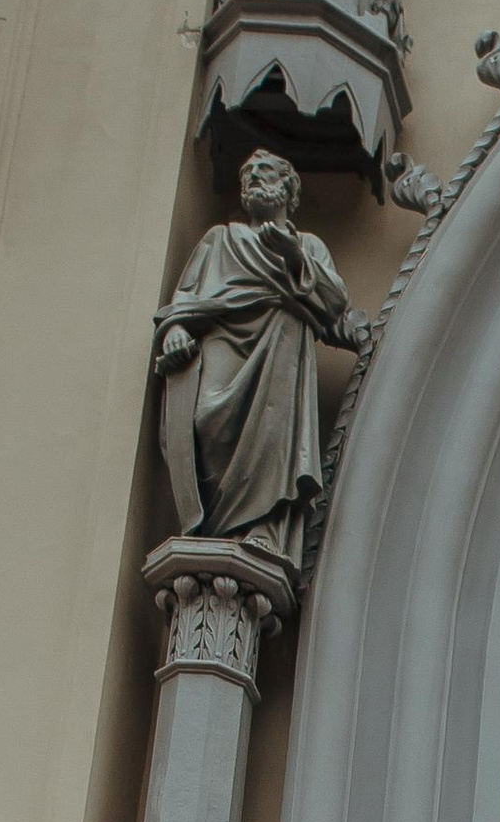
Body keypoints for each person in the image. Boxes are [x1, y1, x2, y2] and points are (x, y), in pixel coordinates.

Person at [152, 147, 358, 570]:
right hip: (223, 340)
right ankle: (214, 528)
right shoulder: (220, 240)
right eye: (247, 175)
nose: (252, 180)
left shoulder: (308, 245)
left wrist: (293, 255)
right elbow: (184, 302)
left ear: (288, 188)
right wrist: (174, 332)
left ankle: (262, 532)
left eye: (263, 173)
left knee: (273, 438)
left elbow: (334, 303)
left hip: (282, 349)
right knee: (206, 417)